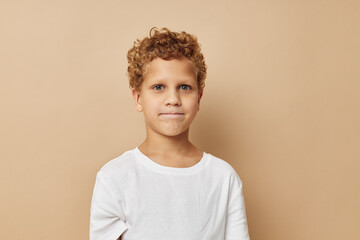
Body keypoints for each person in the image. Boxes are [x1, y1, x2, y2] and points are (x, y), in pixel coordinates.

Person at [89, 27, 250, 240]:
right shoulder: (114, 178)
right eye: (158, 87)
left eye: (184, 87)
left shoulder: (224, 178)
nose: (173, 99)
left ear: (199, 98)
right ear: (138, 98)